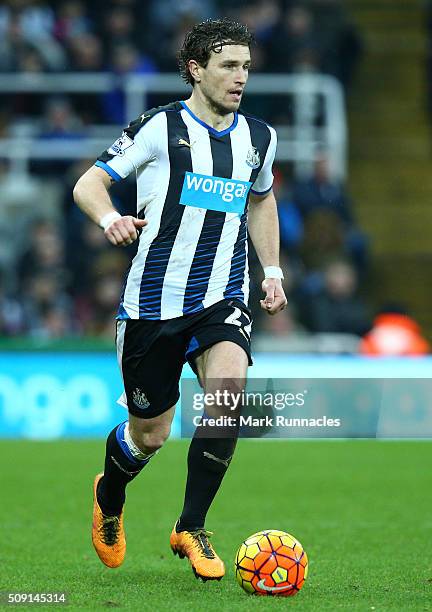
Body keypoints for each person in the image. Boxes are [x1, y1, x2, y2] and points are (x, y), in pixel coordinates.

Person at [73, 18, 287, 582]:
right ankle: (110, 493)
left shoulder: (259, 138)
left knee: (226, 397)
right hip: (152, 305)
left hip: (222, 297)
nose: (241, 76)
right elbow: (88, 184)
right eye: (228, 66)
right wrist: (111, 217)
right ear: (196, 70)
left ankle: (191, 526)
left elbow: (262, 201)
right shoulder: (157, 127)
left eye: (245, 66)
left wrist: (272, 270)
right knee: (152, 435)